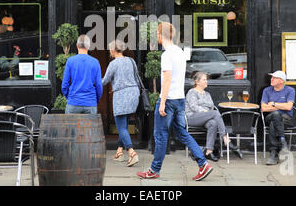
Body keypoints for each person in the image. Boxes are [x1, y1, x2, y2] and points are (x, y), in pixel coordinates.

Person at [137, 22, 213, 181]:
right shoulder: (179, 51)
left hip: (169, 99)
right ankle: (202, 163)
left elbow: (167, 79)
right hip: (180, 99)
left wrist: (162, 102)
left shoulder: (166, 55)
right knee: (181, 133)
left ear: (160, 35)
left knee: (160, 135)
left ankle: (154, 170)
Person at [185, 71, 243, 162]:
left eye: (206, 80)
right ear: (197, 82)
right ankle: (225, 139)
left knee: (213, 123)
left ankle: (209, 151)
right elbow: (194, 106)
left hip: (205, 117)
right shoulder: (192, 92)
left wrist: (207, 112)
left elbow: (211, 106)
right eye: (204, 80)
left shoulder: (207, 94)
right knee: (215, 113)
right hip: (192, 117)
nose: (206, 82)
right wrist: (205, 111)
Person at [102, 40, 140, 167]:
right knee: (124, 124)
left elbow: (105, 80)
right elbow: (136, 76)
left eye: (109, 49)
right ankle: (119, 152)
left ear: (113, 50)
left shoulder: (113, 64)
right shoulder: (131, 61)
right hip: (134, 94)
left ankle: (131, 152)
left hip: (121, 96)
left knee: (121, 127)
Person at [260, 70, 295, 165]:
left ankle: (273, 154)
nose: (271, 79)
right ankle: (282, 140)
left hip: (286, 119)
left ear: (282, 81)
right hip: (270, 116)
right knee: (275, 114)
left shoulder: (290, 90)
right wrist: (280, 106)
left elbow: (289, 107)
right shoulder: (267, 90)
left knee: (274, 122)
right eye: (272, 77)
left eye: (274, 78)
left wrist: (274, 104)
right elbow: (263, 108)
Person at [61, 34, 103, 114]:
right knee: (90, 127)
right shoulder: (95, 62)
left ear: (77, 46)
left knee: (71, 127)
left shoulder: (70, 61)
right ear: (89, 46)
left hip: (73, 103)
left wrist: (70, 97)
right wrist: (95, 100)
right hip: (90, 102)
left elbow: (64, 85)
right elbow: (99, 85)